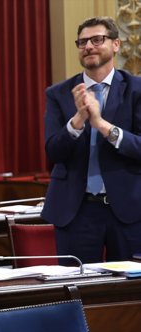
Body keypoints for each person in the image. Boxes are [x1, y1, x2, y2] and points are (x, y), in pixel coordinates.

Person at [43, 16, 141, 263]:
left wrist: (101, 125)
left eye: (97, 40)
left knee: (131, 285)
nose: (88, 46)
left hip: (129, 209)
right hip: (76, 210)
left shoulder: (136, 89)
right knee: (77, 283)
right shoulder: (59, 93)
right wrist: (78, 120)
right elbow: (53, 152)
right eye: (82, 42)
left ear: (116, 44)